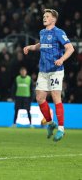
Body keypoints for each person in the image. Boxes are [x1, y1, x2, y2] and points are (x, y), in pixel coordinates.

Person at [23, 9, 74, 141]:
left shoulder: (59, 32)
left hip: (55, 70)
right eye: (44, 16)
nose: (44, 18)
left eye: (47, 16)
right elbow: (42, 45)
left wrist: (62, 59)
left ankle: (61, 129)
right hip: (43, 70)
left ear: (53, 19)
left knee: (56, 97)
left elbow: (70, 48)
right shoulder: (42, 32)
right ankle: (51, 123)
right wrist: (30, 47)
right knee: (40, 98)